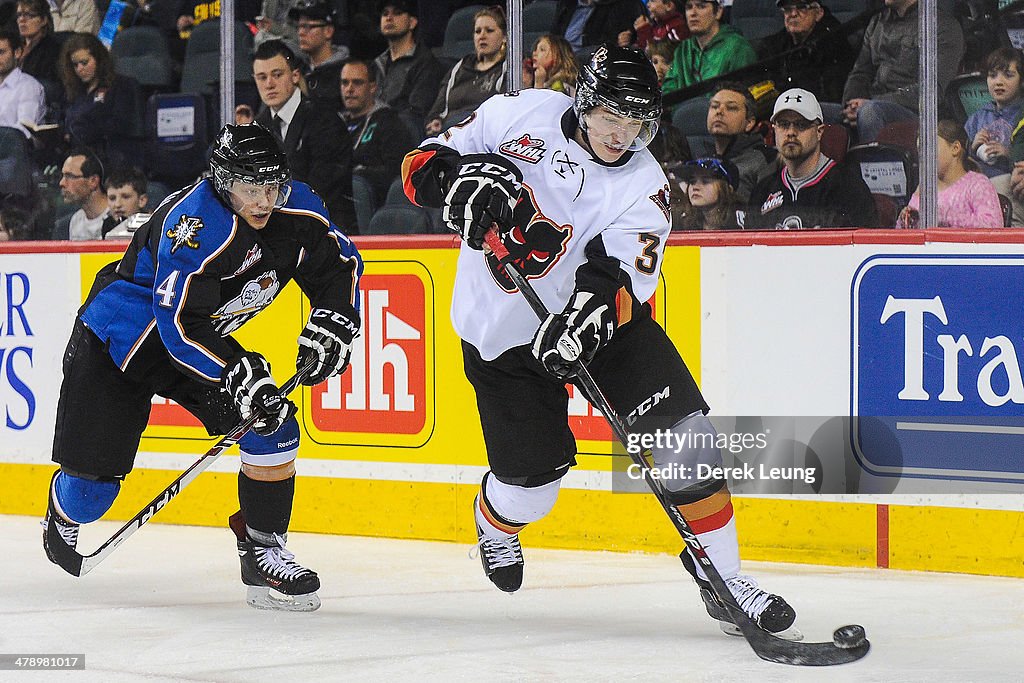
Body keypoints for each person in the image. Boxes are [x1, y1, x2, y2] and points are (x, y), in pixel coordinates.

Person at [401, 44, 798, 635]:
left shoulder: (645, 185)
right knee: (533, 485)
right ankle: (495, 521)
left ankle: (726, 580)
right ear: (584, 102)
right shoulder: (522, 112)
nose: (624, 134)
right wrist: (453, 180)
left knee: (688, 441)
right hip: (502, 338)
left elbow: (616, 280)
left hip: (600, 325)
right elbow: (425, 161)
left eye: (638, 121)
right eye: (613, 117)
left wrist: (587, 316)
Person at [42, 123, 364, 612]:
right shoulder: (194, 226)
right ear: (221, 181)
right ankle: (62, 508)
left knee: (270, 424)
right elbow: (178, 325)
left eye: (271, 187)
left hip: (193, 338)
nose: (262, 201)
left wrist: (335, 320)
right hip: (121, 339)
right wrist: (238, 370)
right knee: (90, 496)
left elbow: (338, 265)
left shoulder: (298, 208)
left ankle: (262, 550)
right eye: (247, 189)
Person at [253, 40, 357, 233]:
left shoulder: (324, 120)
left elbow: (322, 187)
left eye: (277, 75)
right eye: (261, 77)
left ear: (295, 75)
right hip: (275, 232)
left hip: (326, 231)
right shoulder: (257, 127)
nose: (269, 84)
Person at [747, 88, 878, 229]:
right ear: (774, 130)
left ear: (819, 132)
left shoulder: (848, 186)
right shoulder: (762, 191)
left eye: (801, 125)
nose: (791, 132)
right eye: (783, 124)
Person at [840, 0, 964, 143]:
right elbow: (860, 72)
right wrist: (851, 105)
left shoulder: (943, 26)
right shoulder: (877, 22)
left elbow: (932, 91)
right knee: (816, 114)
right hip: (869, 105)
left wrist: (869, 104)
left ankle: (872, 165)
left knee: (870, 112)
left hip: (915, 114)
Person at [58, 33, 144, 168]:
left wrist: (84, 129)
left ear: (99, 59)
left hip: (109, 156)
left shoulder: (121, 85)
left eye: (84, 62)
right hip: (75, 156)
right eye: (75, 65)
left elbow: (120, 124)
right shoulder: (74, 92)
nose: (80, 69)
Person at [340, 58, 415, 213]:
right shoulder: (333, 124)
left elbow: (396, 171)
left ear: (373, 87)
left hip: (373, 203)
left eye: (357, 83)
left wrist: (359, 172)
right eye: (345, 83)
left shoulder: (389, 123)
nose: (349, 89)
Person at [899, 120, 1003, 229]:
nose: (924, 156)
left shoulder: (978, 185)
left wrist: (944, 215)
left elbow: (992, 227)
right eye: (920, 150)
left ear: (955, 148)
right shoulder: (924, 188)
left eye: (930, 148)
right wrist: (905, 221)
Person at [425, 6, 507, 136]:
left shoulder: (507, 68)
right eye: (477, 31)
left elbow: (504, 111)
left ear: (504, 37)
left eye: (489, 31)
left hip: (484, 135)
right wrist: (435, 120)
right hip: (449, 132)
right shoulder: (461, 66)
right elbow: (440, 105)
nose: (482, 36)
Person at [756, 0, 856, 105]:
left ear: (818, 14)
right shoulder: (772, 45)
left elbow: (831, 94)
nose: (793, 14)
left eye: (802, 7)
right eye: (788, 9)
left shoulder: (834, 44)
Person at [374, 0, 446, 136]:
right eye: (385, 14)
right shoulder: (376, 63)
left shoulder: (426, 64)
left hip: (399, 134)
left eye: (397, 13)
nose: (389, 18)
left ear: (412, 22)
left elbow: (416, 112)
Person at [701, 82, 780, 204]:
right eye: (714, 106)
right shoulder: (702, 159)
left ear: (749, 123)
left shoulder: (765, 160)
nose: (719, 112)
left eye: (731, 108)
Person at [662, 0, 756, 94]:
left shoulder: (738, 47)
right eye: (689, 7)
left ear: (718, 12)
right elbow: (668, 91)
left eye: (701, 6)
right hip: (684, 108)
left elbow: (744, 96)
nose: (693, 13)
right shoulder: (683, 50)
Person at [966, 47, 1024, 179]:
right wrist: (972, 148)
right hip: (976, 182)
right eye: (992, 75)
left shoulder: (1021, 116)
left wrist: (1010, 154)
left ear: (1022, 81)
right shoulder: (978, 117)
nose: (998, 82)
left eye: (1008, 75)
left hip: (1010, 182)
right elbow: (958, 157)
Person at [290, 0, 349, 113]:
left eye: (308, 27)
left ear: (328, 31)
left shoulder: (346, 71)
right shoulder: (298, 68)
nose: (301, 33)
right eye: (299, 27)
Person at [0, 27, 45, 139]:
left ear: (17, 53)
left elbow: (23, 132)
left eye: (1, 52)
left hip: (13, 152)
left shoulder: (28, 87)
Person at [676, 156, 743, 230]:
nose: (695, 187)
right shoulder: (684, 223)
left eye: (705, 181)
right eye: (692, 182)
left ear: (727, 188)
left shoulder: (744, 222)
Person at [554, 0, 645, 53]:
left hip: (591, 58)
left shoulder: (622, 5)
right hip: (562, 57)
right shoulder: (567, 4)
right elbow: (554, 34)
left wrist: (625, 37)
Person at [58, 148, 110, 241]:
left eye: (70, 176)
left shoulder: (118, 215)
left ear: (93, 181)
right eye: (63, 176)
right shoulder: (76, 221)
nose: (62, 183)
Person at [620, 0, 687, 50]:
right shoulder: (655, 27)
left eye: (652, 1)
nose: (648, 5)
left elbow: (660, 55)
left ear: (668, 5)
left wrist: (644, 30)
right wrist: (627, 45)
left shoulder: (678, 27)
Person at [102, 166, 149, 237]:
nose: (117, 204)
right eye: (112, 198)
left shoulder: (151, 226)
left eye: (125, 197)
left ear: (141, 200)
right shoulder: (107, 225)